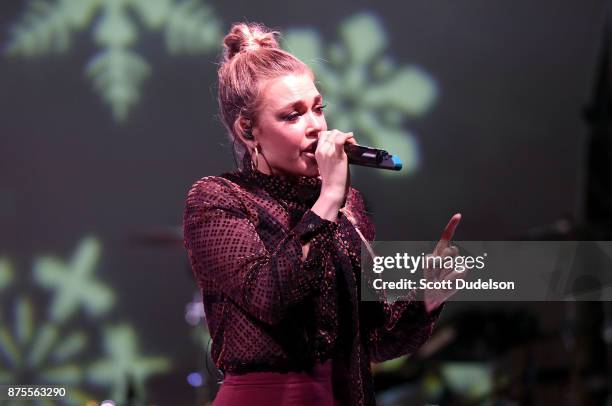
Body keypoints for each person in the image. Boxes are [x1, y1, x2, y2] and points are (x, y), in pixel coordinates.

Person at [183, 22, 460, 406]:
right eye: (292, 115)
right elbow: (272, 297)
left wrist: (431, 291)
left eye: (318, 109)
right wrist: (329, 196)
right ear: (248, 130)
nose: (316, 126)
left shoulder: (349, 206)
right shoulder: (219, 199)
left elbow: (376, 340)